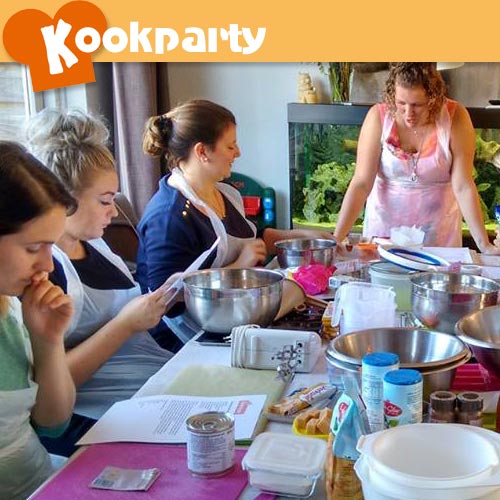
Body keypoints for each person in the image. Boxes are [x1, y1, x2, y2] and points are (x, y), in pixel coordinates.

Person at [26, 109, 175, 455]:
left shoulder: (95, 242)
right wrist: (125, 324)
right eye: (105, 200)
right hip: (89, 416)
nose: (114, 211)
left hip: (145, 388)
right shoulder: (46, 271)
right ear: (63, 200)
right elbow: (47, 386)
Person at [136, 99, 333, 342]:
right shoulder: (168, 218)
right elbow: (164, 301)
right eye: (230, 146)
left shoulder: (224, 192)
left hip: (234, 313)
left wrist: (304, 236)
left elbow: (255, 240)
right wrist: (239, 266)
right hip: (187, 336)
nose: (237, 153)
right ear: (202, 152)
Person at [333, 63, 500, 254]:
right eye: (401, 103)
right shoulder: (378, 117)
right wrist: (336, 239)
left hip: (439, 237)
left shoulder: (455, 117)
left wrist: (484, 245)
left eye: (417, 105)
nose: (408, 114)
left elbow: (463, 186)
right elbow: (361, 184)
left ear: (434, 98)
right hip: (384, 235)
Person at [0, 141, 77, 500]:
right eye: (33, 248)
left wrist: (48, 341)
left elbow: (52, 424)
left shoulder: (11, 307)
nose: (47, 265)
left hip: (38, 480)